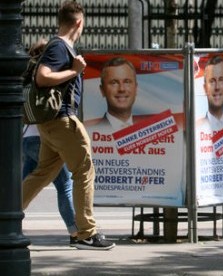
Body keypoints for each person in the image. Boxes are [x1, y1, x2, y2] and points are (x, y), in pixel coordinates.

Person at [22, 0, 115, 250]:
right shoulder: (60, 47)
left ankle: (5, 216)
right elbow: (43, 77)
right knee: (84, 169)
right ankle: (86, 233)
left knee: (43, 173)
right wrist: (75, 71)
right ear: (79, 23)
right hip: (63, 121)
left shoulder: (59, 46)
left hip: (49, 124)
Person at [22, 38, 78, 246]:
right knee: (65, 186)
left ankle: (7, 223)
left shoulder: (28, 75)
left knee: (27, 184)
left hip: (27, 139)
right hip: (45, 137)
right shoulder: (48, 75)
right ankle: (76, 232)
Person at [92, 57, 138, 131]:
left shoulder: (150, 134)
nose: (121, 89)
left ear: (136, 88)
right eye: (114, 83)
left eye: (127, 82)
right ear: (102, 90)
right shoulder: (91, 133)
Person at [197, 55, 223, 130]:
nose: (217, 87)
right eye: (212, 81)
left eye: (221, 80)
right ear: (205, 88)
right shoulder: (195, 129)